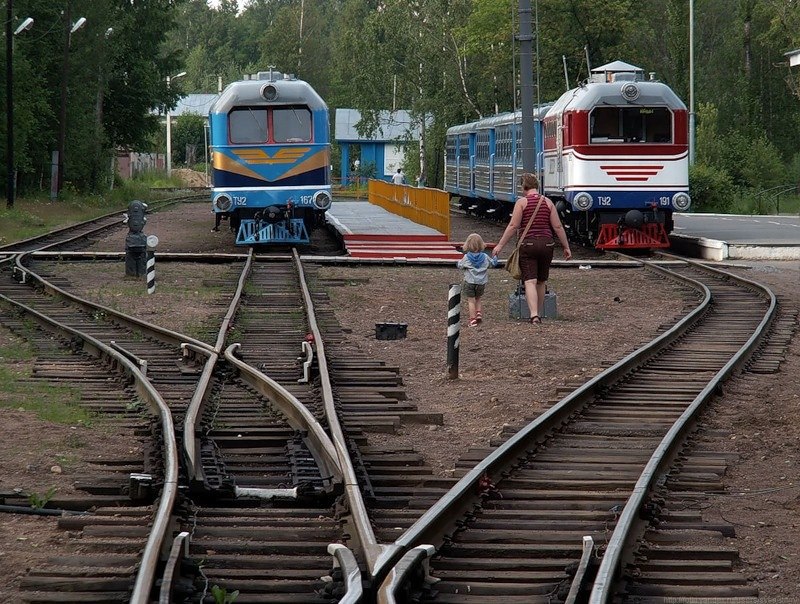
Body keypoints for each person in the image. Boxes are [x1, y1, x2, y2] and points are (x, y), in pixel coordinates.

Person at [492, 172, 572, 324]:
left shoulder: (522, 203)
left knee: (530, 281)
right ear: (537, 186)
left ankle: (534, 314)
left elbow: (514, 225)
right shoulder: (548, 202)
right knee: (541, 281)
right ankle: (539, 312)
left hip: (528, 245)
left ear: (524, 187)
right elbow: (557, 226)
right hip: (547, 244)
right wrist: (566, 247)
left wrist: (500, 245)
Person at [457, 233, 499, 327]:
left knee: (471, 300)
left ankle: (472, 320)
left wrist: (458, 263)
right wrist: (495, 256)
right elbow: (493, 264)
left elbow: (460, 265)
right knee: (478, 298)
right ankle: (478, 313)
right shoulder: (485, 256)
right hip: (481, 282)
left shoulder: (466, 257)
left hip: (470, 282)